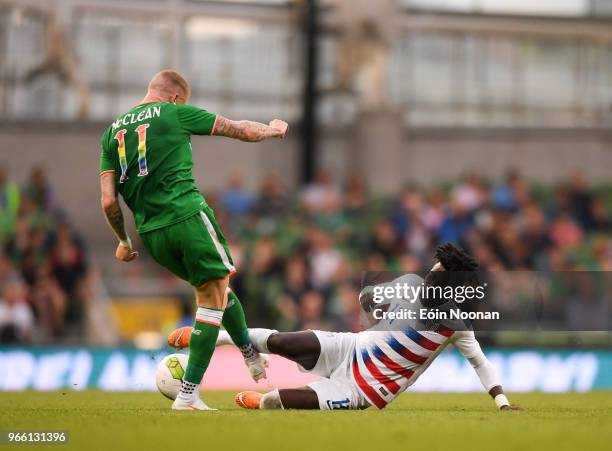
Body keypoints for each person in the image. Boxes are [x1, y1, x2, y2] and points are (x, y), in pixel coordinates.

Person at [99, 70, 288, 411]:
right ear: (174, 98)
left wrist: (123, 240)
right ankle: (187, 394)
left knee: (218, 289)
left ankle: (249, 354)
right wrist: (273, 130)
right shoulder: (173, 113)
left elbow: (109, 201)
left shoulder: (111, 133)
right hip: (186, 216)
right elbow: (241, 129)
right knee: (211, 297)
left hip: (151, 233)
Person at [170, 243, 519, 411]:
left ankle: (266, 403)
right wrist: (371, 299)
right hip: (350, 347)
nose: (431, 272)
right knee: (283, 341)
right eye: (434, 267)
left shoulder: (455, 323)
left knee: (282, 400)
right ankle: (221, 338)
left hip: (367, 388)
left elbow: (480, 363)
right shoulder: (411, 282)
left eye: (439, 272)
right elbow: (370, 296)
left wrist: (502, 402)